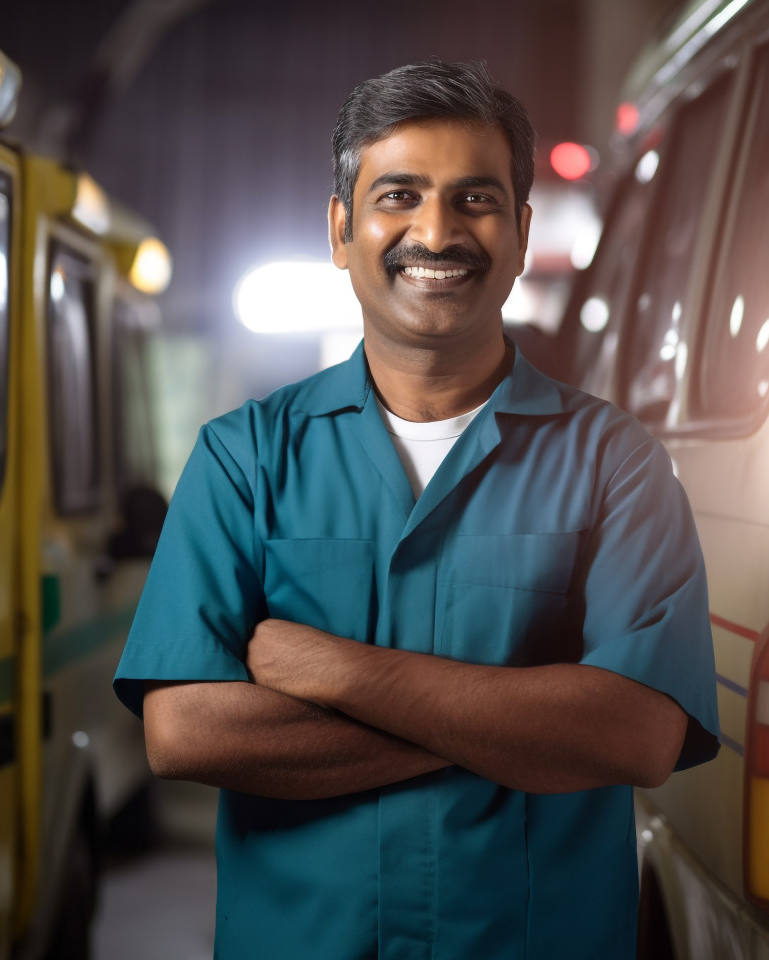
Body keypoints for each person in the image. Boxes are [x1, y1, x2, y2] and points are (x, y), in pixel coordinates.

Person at [114, 59, 719, 959]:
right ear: (340, 228)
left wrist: (334, 671)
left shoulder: (616, 465)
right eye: (399, 195)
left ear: (518, 230)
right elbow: (187, 730)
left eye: (474, 199)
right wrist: (521, 727)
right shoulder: (243, 458)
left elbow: (635, 733)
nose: (436, 232)